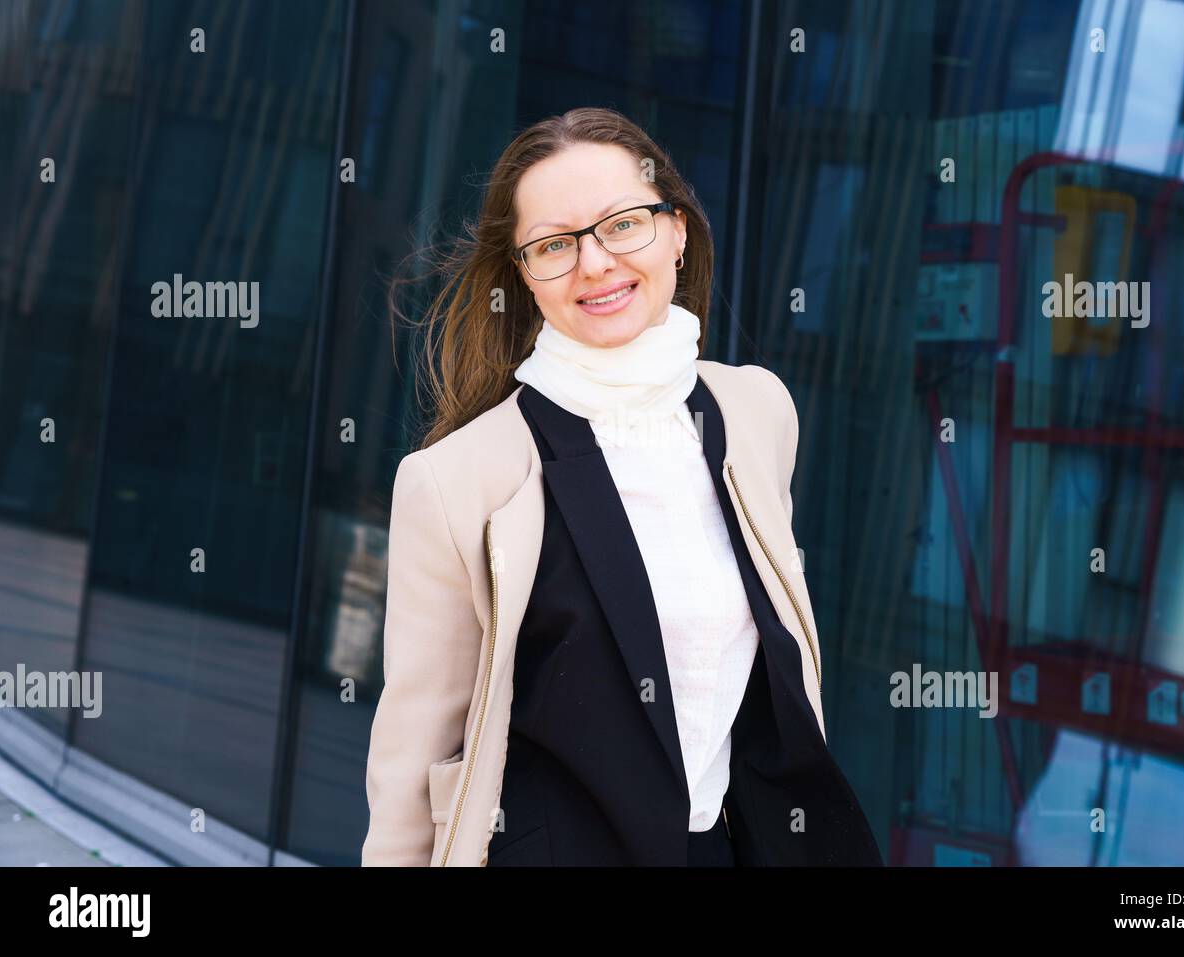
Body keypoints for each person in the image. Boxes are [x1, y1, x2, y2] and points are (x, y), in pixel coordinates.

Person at [361, 106, 882, 867]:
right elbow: (413, 763)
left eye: (623, 224)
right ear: (524, 275)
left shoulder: (755, 413)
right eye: (555, 245)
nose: (595, 263)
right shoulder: (455, 481)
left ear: (676, 230)